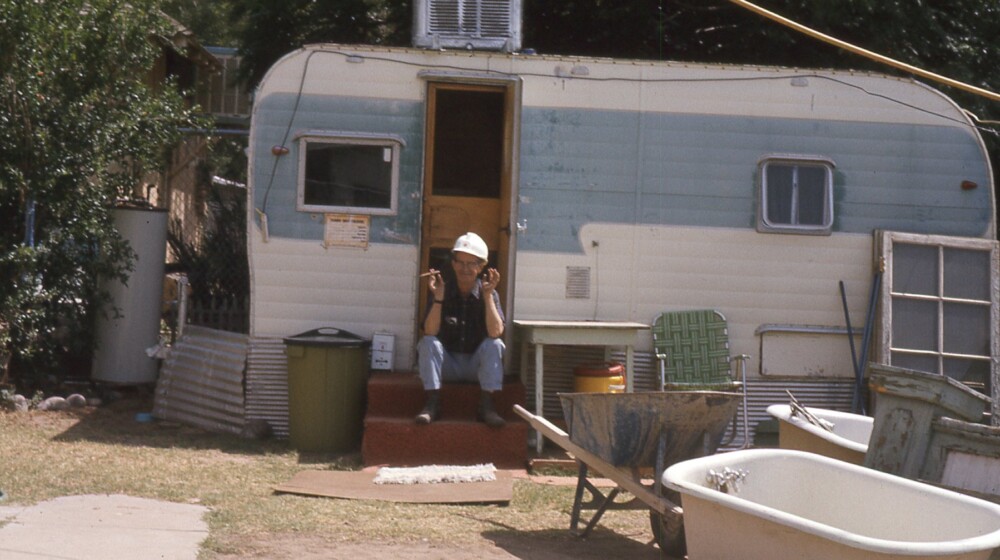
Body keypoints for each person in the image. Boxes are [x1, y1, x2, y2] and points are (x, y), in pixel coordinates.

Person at [416, 232, 506, 428]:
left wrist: (488, 296)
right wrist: (438, 298)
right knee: (428, 342)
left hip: (475, 367)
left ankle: (487, 406)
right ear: (453, 263)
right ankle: (432, 404)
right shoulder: (442, 289)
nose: (465, 269)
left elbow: (496, 332)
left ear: (481, 266)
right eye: (460, 262)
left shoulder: (490, 292)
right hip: (448, 365)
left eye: (471, 263)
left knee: (495, 344)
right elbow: (429, 331)